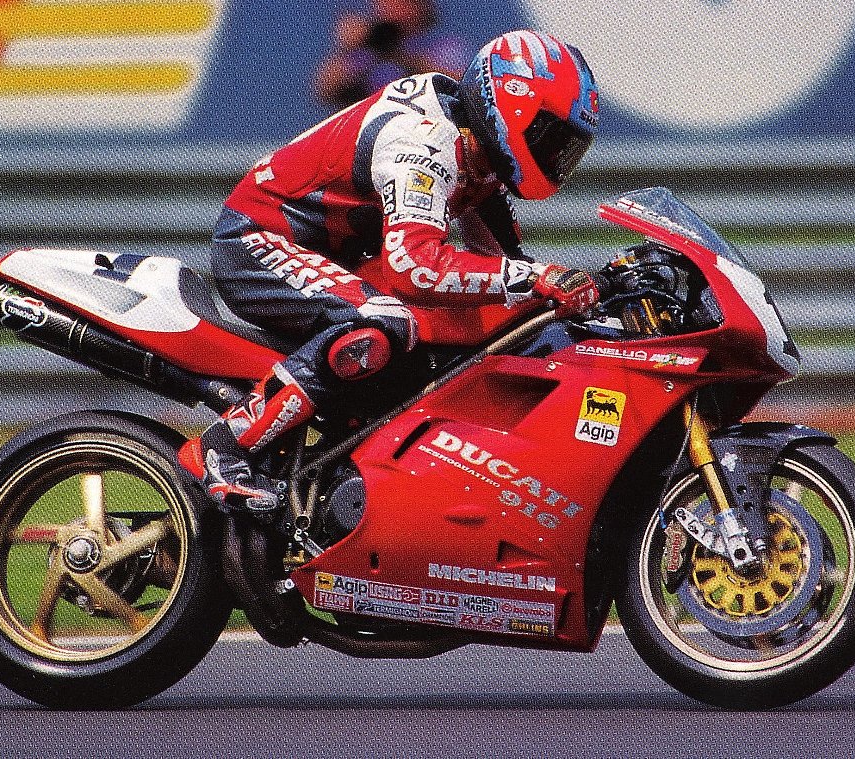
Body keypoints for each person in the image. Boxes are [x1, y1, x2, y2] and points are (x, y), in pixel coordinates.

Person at [179, 30, 604, 516]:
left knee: (477, 323)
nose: (558, 157)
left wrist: (578, 294)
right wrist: (534, 279)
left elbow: (507, 266)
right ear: (512, 108)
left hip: (338, 254)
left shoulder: (479, 153)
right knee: (387, 320)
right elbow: (413, 266)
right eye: (552, 138)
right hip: (262, 239)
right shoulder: (423, 141)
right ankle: (225, 444)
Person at [314, 0, 470, 111]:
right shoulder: (367, 51)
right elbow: (325, 90)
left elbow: (463, 85)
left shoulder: (442, 44)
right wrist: (346, 47)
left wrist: (398, 55)